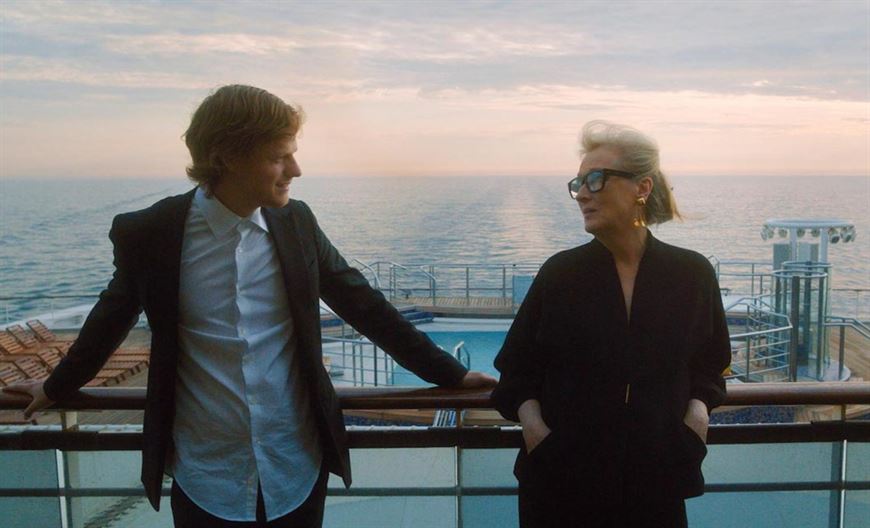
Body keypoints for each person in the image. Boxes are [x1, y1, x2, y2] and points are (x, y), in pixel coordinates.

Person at [3, 84, 496, 528]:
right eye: (280, 157)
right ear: (227, 158)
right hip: (205, 474)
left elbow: (364, 305)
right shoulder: (151, 233)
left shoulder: (296, 224)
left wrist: (450, 374)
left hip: (296, 465)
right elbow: (111, 317)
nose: (296, 170)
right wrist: (56, 386)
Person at [491, 120, 731, 527]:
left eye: (596, 179)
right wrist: (539, 436)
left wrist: (697, 418)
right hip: (559, 484)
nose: (583, 194)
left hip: (657, 481)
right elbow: (516, 373)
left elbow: (711, 366)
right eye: (578, 183)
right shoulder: (560, 274)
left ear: (642, 187)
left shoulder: (691, 275)